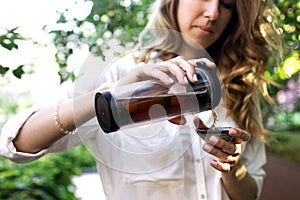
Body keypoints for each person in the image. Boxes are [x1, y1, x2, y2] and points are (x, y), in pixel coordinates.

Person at [0, 0, 282, 199]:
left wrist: (233, 165)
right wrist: (107, 95)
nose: (212, 12)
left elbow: (248, 195)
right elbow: (15, 144)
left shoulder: (237, 89)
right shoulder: (122, 70)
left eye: (227, 4)